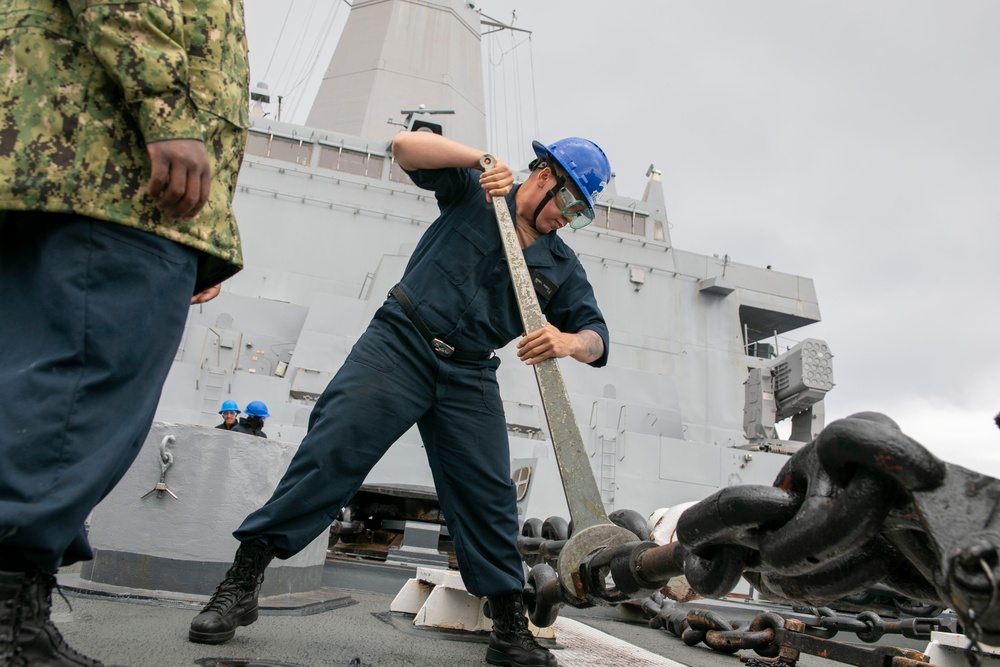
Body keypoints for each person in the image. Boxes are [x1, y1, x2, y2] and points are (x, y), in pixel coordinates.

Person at [188, 131, 611, 667]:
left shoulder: (562, 266)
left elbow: (597, 337)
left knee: (490, 497)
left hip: (470, 374)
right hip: (402, 341)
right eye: (571, 203)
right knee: (330, 452)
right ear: (545, 176)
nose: (568, 219)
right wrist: (481, 160)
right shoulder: (475, 192)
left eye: (581, 215)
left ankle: (508, 628)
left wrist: (569, 341)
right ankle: (241, 585)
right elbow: (405, 148)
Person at [0, 1, 249, 665]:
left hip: (73, 161)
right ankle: (6, 620)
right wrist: (166, 109)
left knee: (38, 381)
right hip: (113, 176)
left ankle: (19, 607)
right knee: (77, 386)